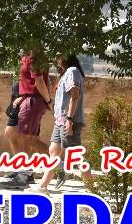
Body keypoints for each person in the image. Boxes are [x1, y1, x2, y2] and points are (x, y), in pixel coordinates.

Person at [38, 55, 94, 193]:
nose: (56, 59)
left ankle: (93, 190)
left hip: (68, 120)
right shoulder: (66, 73)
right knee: (54, 151)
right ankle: (42, 187)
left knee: (76, 155)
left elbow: (75, 95)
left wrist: (69, 118)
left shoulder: (72, 71)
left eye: (59, 56)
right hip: (60, 121)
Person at [2, 52, 51, 188]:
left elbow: (40, 81)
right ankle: (24, 172)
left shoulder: (34, 56)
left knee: (25, 138)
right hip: (27, 99)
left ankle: (25, 175)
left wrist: (48, 101)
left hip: (33, 101)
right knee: (20, 136)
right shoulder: (28, 55)